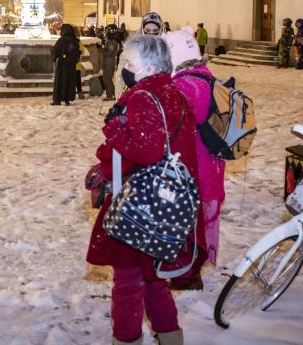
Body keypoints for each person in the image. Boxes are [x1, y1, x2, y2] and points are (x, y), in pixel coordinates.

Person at [86, 35, 193, 344]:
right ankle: (170, 336)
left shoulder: (143, 96)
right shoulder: (172, 91)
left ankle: (126, 338)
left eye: (130, 64)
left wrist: (115, 130)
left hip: (138, 204)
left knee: (128, 280)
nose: (124, 69)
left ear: (147, 67)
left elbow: (145, 151)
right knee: (152, 276)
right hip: (163, 201)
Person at [164, 27, 227, 291]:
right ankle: (191, 269)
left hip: (194, 166)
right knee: (200, 218)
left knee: (190, 221)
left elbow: (169, 125)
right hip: (210, 164)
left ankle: (187, 275)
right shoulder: (206, 77)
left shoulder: (184, 86)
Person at [51, 24, 80, 106]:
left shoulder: (62, 40)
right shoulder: (75, 40)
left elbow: (56, 50)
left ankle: (57, 100)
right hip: (71, 65)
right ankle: (67, 99)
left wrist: (54, 57)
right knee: (69, 81)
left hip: (62, 64)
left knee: (60, 81)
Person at [101, 24, 122, 101]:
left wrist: (101, 49)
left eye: (107, 31)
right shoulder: (112, 41)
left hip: (109, 62)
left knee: (107, 79)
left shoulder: (112, 42)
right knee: (107, 78)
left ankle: (109, 95)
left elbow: (109, 52)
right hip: (109, 62)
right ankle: (112, 93)